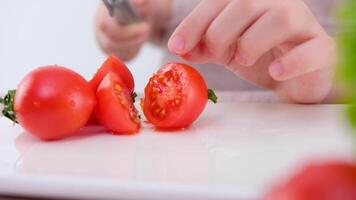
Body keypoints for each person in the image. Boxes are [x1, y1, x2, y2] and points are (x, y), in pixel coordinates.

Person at [94, 0, 338, 103]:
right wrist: (125, 17)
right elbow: (162, 14)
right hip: (182, 143)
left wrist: (330, 78)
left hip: (307, 130)